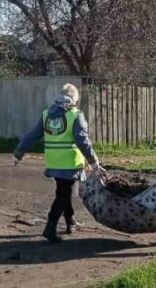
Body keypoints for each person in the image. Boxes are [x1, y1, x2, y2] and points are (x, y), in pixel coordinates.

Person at [14, 83, 100, 243]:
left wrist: (19, 153)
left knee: (63, 192)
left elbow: (32, 135)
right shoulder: (75, 114)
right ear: (75, 99)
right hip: (69, 162)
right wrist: (93, 160)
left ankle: (70, 221)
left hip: (53, 161)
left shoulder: (46, 114)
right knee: (63, 195)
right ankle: (50, 227)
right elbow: (83, 140)